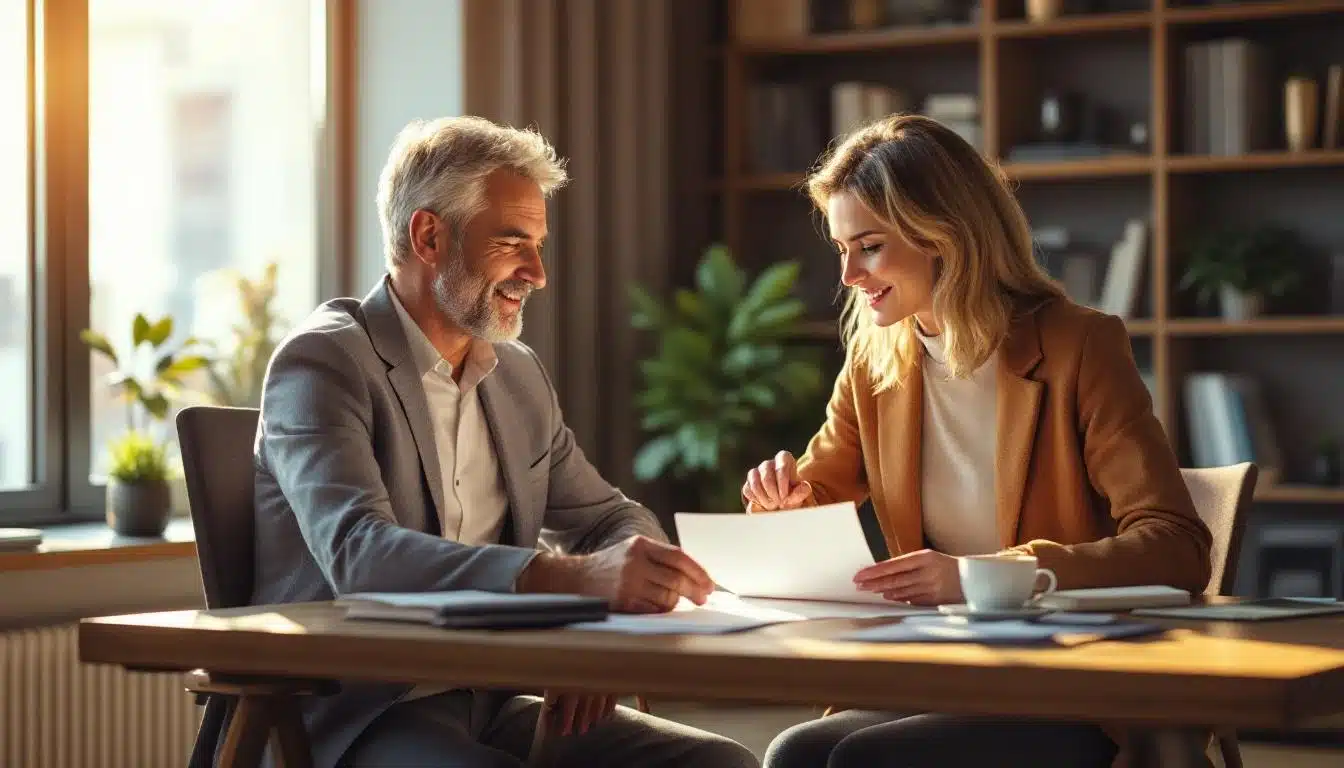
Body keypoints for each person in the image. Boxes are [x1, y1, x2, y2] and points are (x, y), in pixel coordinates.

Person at [249, 116, 758, 768]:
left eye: (539, 244)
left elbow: (607, 519)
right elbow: (361, 556)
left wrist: (599, 632)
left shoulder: (516, 375)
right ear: (429, 236)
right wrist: (574, 583)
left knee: (720, 764)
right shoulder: (322, 363)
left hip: (491, 699)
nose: (538, 273)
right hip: (357, 714)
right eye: (513, 243)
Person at [740, 114, 1212, 768]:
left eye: (869, 246)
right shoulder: (876, 366)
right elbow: (815, 493)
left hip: (1071, 686)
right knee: (796, 751)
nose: (848, 275)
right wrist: (782, 506)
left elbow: (1176, 544)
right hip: (944, 669)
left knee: (859, 761)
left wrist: (979, 579)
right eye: (842, 248)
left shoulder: (1079, 346)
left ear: (945, 236)